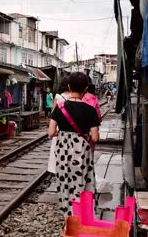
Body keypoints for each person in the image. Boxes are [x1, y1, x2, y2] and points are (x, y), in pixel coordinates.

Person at [48, 72, 100, 216]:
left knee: (65, 183)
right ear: (85, 89)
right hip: (82, 151)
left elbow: (51, 132)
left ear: (69, 87)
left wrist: (65, 135)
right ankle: (83, 215)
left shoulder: (60, 107)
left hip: (63, 151)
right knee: (83, 182)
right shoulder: (90, 110)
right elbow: (95, 137)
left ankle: (68, 216)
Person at [48, 77, 70, 174]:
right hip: (71, 125)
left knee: (57, 146)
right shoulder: (75, 96)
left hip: (60, 125)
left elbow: (53, 112)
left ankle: (57, 167)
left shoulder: (58, 96)